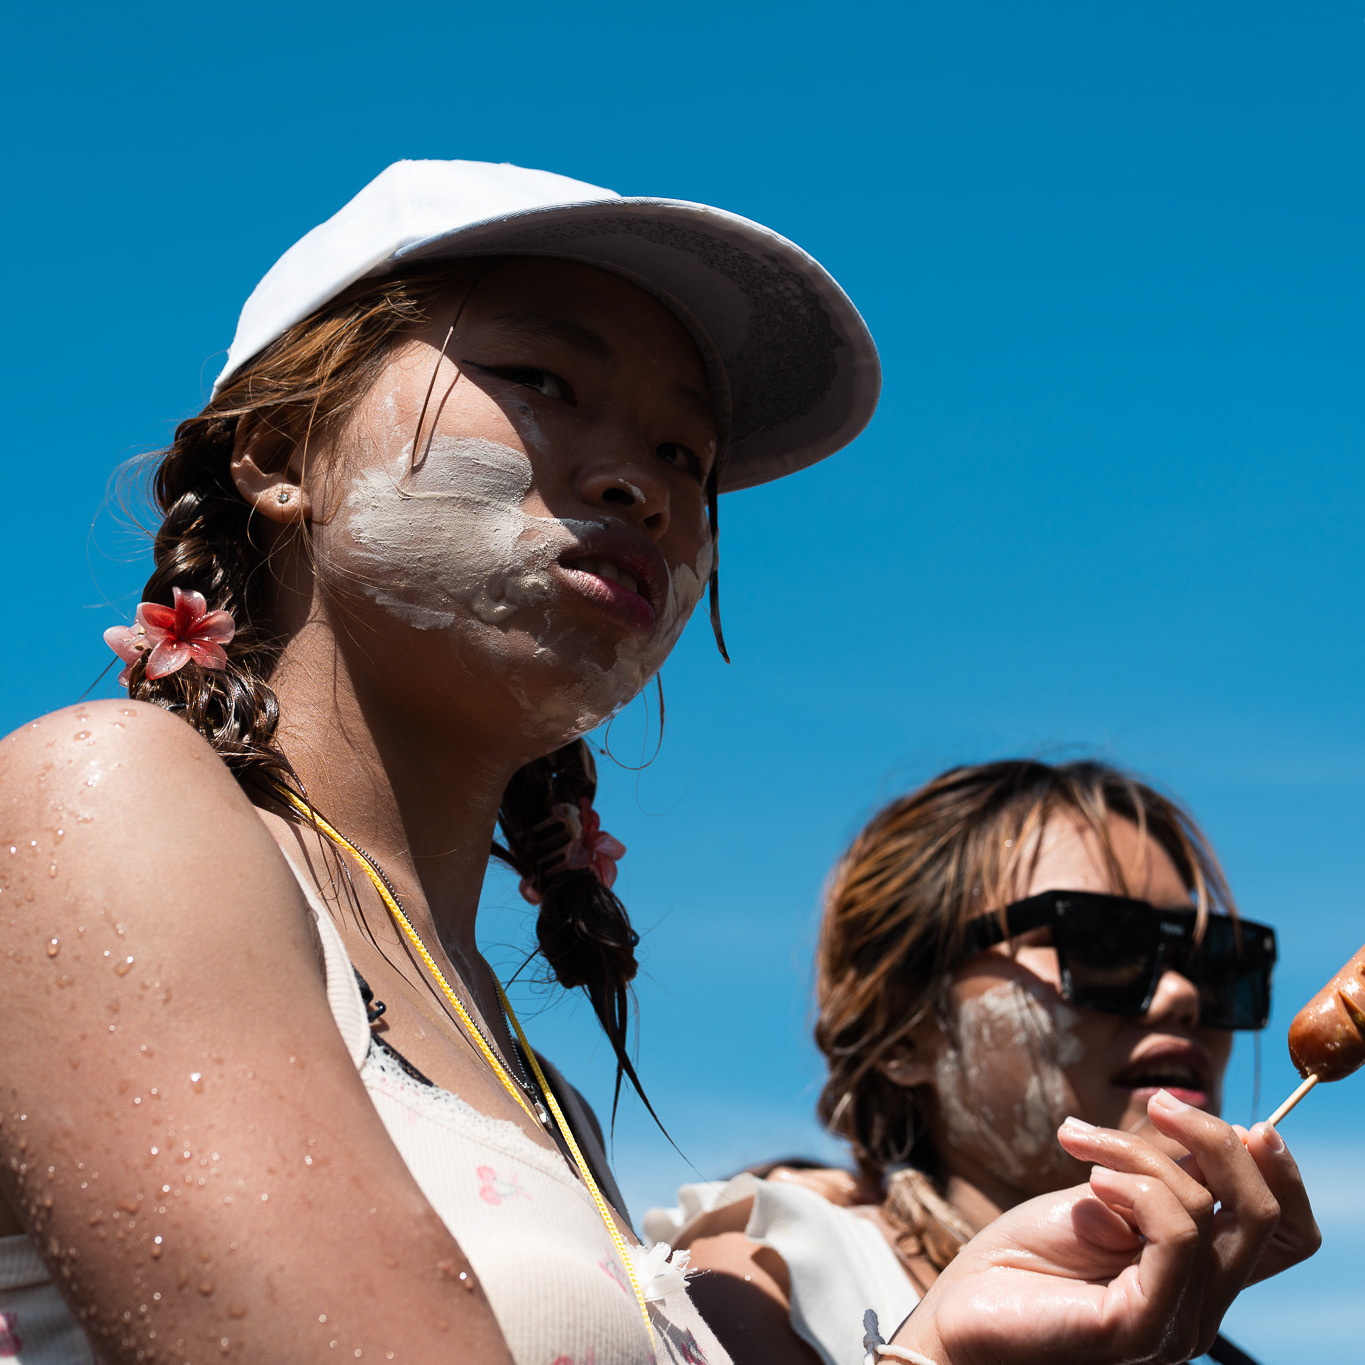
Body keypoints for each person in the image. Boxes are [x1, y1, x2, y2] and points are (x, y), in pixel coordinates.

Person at [0, 158, 1315, 1365]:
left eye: (686, 453)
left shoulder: (548, 1101)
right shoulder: (106, 801)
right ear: (280, 452)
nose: (646, 482)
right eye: (543, 379)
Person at [661, 760, 1319, 1365]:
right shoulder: (769, 1275)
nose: (1181, 994)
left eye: (1212, 960)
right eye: (1101, 946)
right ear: (904, 1033)